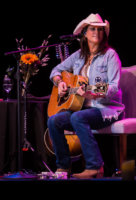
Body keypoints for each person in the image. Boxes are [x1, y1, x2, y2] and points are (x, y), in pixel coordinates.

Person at [47, 13, 125, 178]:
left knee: (78, 118)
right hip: (82, 108)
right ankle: (63, 166)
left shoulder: (110, 55)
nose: (97, 32)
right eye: (92, 29)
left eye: (100, 29)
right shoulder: (78, 56)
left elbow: (113, 86)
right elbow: (55, 71)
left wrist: (93, 93)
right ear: (84, 33)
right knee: (53, 120)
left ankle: (95, 166)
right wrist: (60, 82)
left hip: (106, 108)